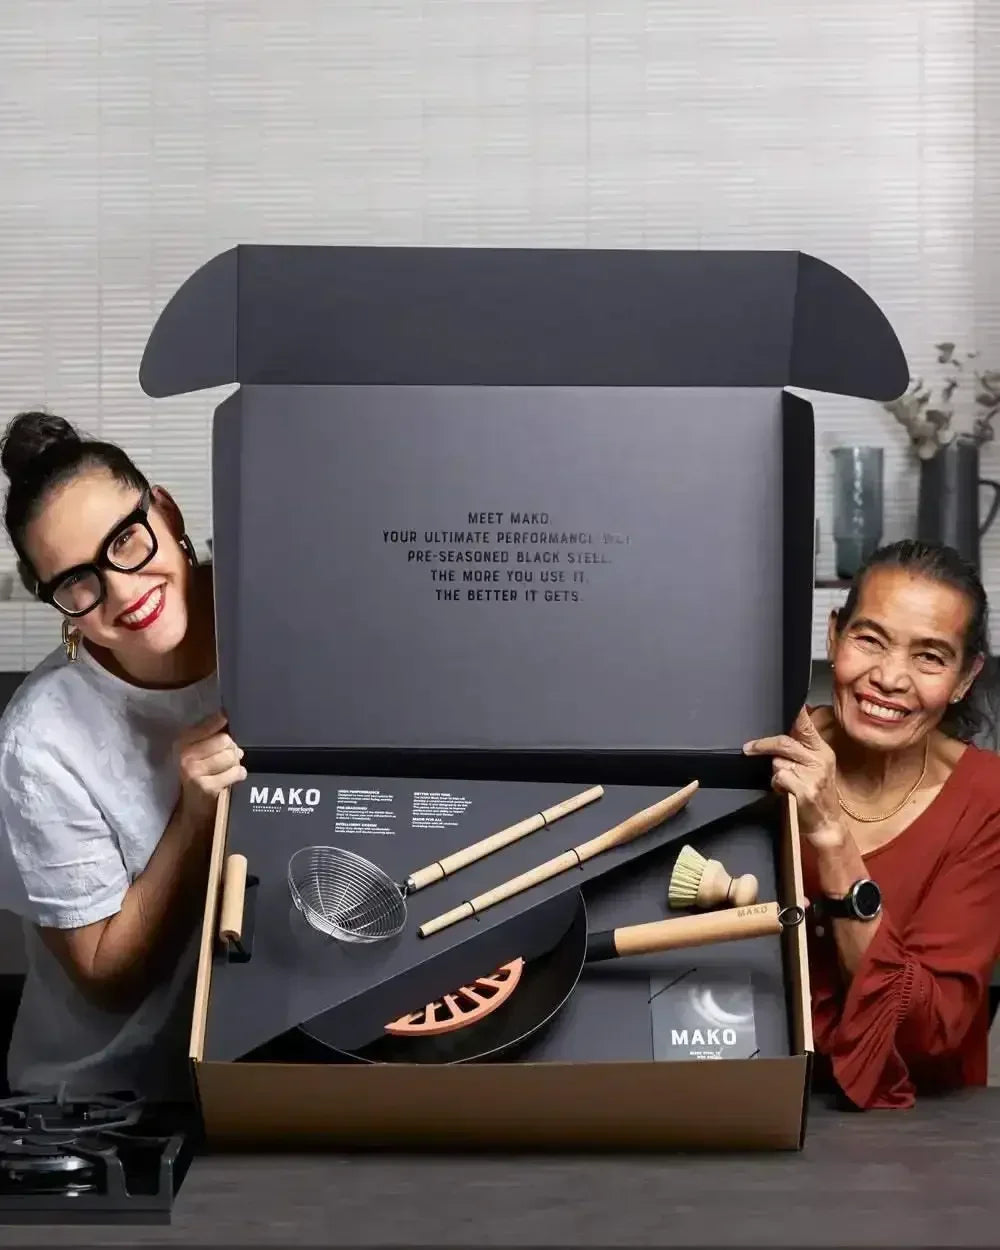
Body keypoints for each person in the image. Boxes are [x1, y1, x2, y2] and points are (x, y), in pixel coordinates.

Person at [0, 410, 246, 1101]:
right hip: (110, 1101)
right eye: (78, 582)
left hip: (261, 1059)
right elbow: (108, 980)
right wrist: (196, 815)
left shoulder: (272, 612)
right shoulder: (39, 741)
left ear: (164, 511)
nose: (123, 591)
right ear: (60, 606)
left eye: (126, 542)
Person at [744, 538, 1000, 1110]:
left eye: (930, 656)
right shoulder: (761, 760)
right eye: (870, 639)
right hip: (741, 1104)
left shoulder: (988, 801)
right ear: (834, 635)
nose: (889, 678)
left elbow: (928, 1032)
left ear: (964, 677)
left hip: (923, 1144)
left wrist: (832, 839)